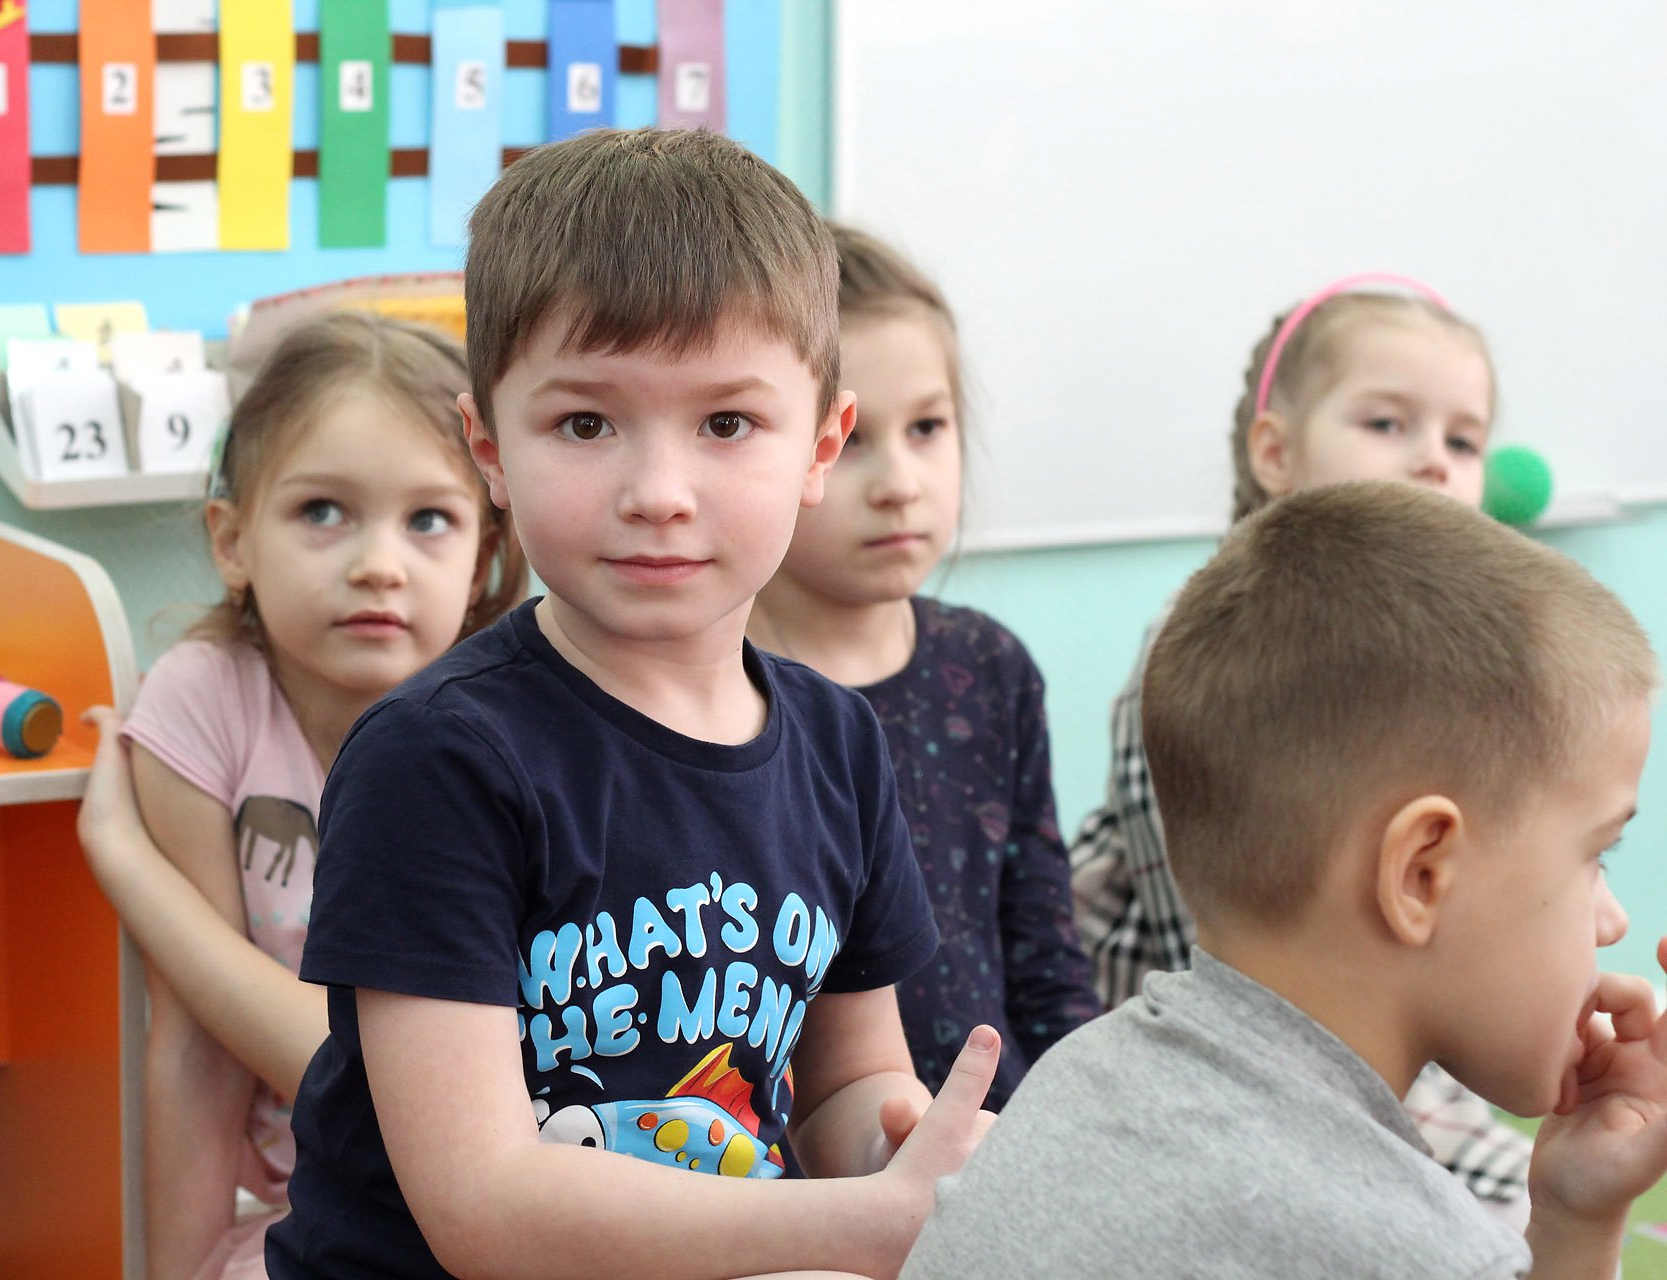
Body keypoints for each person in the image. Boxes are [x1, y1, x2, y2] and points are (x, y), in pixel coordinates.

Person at [263, 128, 999, 1280]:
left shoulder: (838, 745)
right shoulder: (437, 760)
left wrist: (915, 1154)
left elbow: (851, 1080)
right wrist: (851, 1224)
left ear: (822, 442)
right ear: (487, 446)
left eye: (725, 424)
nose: (659, 494)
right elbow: (485, 1204)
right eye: (587, 424)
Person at [903, 480, 1667, 1278]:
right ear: (1421, 873)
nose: (1611, 920)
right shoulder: (1404, 1247)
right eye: (1595, 856)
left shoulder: (1080, 1079)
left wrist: (1580, 1213)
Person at [1068, 275, 1535, 1213]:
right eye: (1387, 424)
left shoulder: (1433, 672)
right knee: (1494, 1216)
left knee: (1526, 1196)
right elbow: (1222, 976)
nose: (1434, 462)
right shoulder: (1203, 652)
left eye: (1462, 440)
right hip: (1199, 1060)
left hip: (1359, 1043)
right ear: (1276, 453)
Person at [75, 312, 526, 1280]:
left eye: (429, 519)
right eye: (323, 509)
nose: (378, 562)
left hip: (498, 1195)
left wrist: (125, 863)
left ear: (485, 552)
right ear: (233, 540)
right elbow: (195, 1036)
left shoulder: (505, 727)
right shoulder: (205, 701)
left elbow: (363, 1085)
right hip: (308, 1211)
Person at [748, 223, 1095, 1106]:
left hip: (995, 1141)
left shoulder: (987, 667)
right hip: (794, 1166)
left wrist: (1090, 1121)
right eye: (854, 438)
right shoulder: (720, 693)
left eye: (929, 427)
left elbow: (1045, 952)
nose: (900, 480)